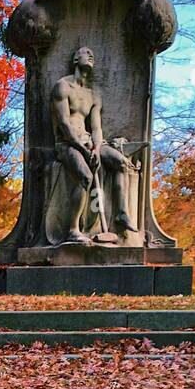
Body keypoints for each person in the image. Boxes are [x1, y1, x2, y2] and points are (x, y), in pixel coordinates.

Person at [50, 46, 139, 243]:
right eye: (85, 53)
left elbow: (96, 127)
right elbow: (64, 124)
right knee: (85, 176)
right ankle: (73, 230)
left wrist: (97, 148)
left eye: (93, 54)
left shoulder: (94, 94)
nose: (91, 56)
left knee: (121, 162)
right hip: (67, 144)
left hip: (89, 142)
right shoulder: (62, 86)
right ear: (75, 59)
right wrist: (82, 148)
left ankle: (121, 214)